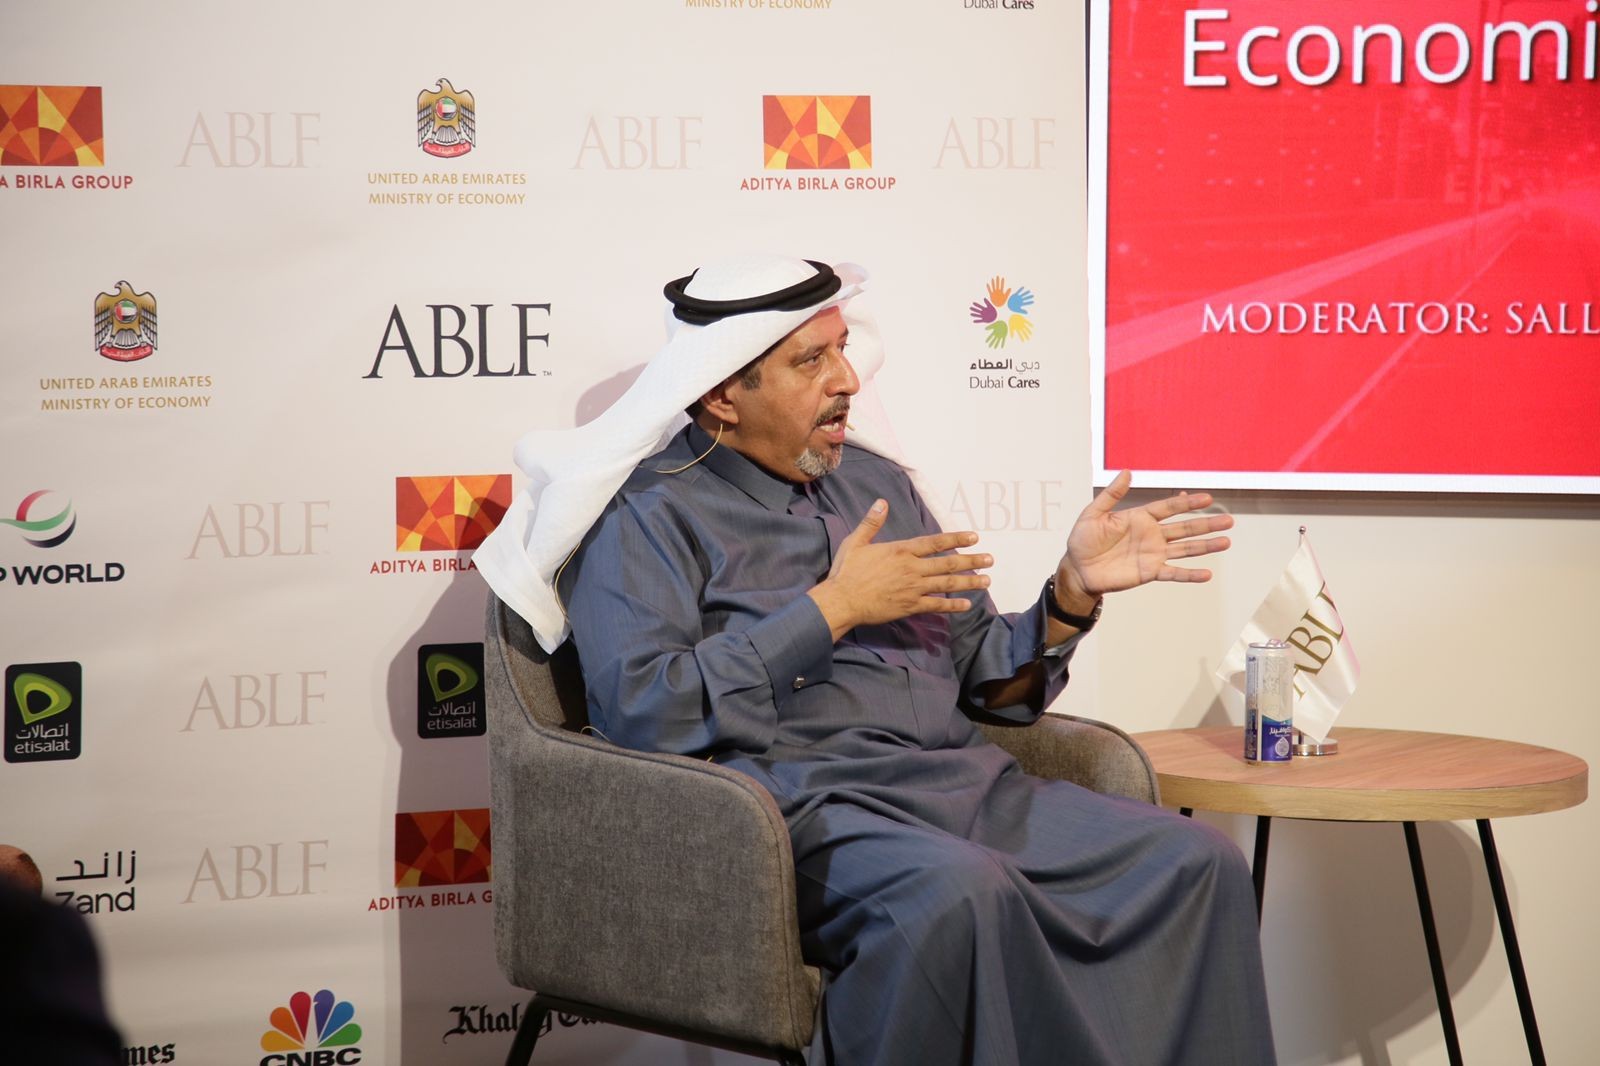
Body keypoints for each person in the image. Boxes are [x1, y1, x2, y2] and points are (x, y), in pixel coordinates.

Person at [478, 256, 1275, 1066]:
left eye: (841, 349)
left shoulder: (877, 483)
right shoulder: (648, 513)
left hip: (971, 793)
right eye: (810, 361)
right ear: (722, 394)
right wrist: (831, 610)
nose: (847, 379)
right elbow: (644, 711)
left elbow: (992, 686)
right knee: (954, 896)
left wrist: (1070, 594)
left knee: (1196, 862)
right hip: (799, 817)